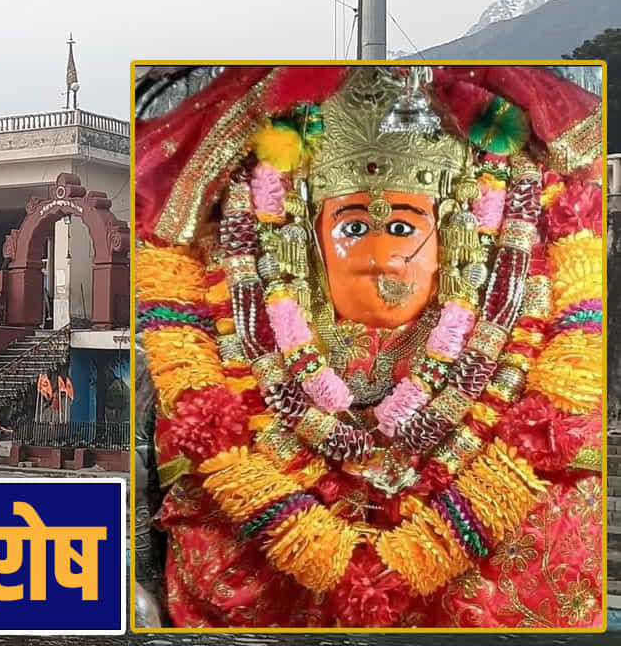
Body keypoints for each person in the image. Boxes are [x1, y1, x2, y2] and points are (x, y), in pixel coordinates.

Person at [132, 65, 605, 627]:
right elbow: (157, 480)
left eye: (404, 227)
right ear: (300, 236)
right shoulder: (207, 345)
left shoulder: (546, 350)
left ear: (457, 232)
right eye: (353, 227)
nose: (379, 253)